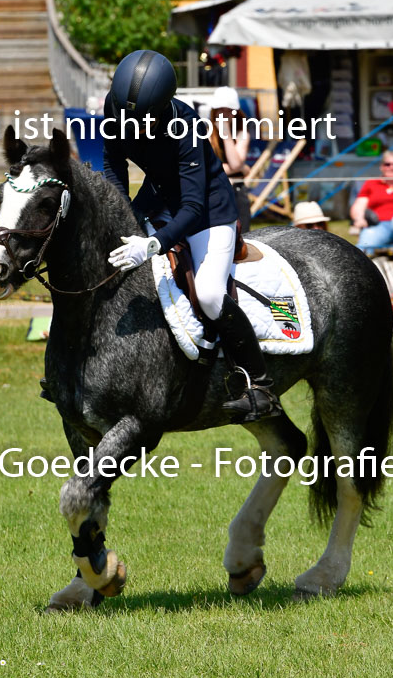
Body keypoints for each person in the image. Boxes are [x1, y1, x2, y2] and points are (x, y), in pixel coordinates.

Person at [103, 49, 282, 423]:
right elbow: (113, 163)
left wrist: (153, 243)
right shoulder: (115, 106)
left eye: (141, 121)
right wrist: (120, 215)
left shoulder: (186, 126)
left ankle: (261, 387)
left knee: (211, 294)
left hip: (207, 210)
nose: (130, 126)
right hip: (158, 198)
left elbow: (193, 207)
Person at [209, 85, 252, 232]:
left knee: (244, 237)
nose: (224, 114)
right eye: (220, 109)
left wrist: (226, 135)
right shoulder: (206, 132)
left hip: (237, 191)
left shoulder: (242, 133)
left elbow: (234, 164)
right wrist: (243, 168)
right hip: (214, 192)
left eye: (229, 110)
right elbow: (205, 169)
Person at [349, 150, 393, 252]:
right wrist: (359, 219)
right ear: (381, 166)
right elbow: (359, 206)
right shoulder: (371, 183)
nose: (391, 167)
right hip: (379, 225)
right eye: (387, 164)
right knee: (364, 244)